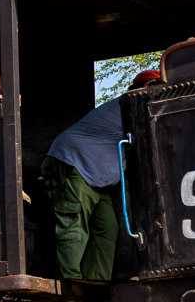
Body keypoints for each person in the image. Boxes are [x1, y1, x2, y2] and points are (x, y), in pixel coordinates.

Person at [41, 69, 161, 281]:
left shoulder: (138, 109)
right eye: (159, 88)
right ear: (146, 88)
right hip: (72, 162)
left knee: (107, 229)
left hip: (96, 178)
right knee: (74, 229)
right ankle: (72, 286)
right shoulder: (131, 106)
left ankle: (95, 283)